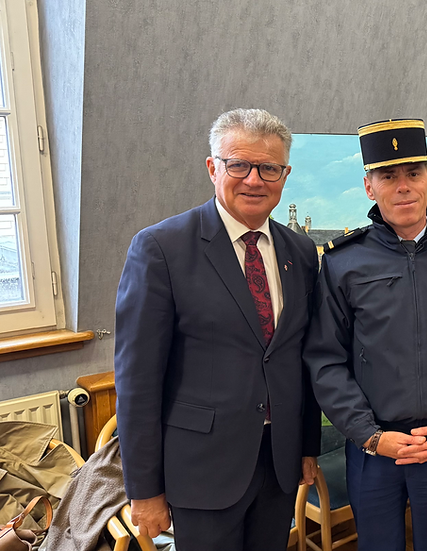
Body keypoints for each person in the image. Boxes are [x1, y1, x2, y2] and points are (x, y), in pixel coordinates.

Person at [114, 108, 321, 551]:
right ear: (213, 168)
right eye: (238, 165)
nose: (254, 180)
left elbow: (299, 358)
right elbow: (137, 382)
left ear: (284, 175)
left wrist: (306, 447)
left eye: (269, 168)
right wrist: (145, 490)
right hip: (202, 470)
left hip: (278, 465)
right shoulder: (160, 249)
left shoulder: (300, 252)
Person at [303, 118, 427, 551]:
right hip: (373, 449)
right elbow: (325, 359)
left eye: (413, 173)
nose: (403, 186)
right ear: (369, 186)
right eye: (388, 176)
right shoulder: (343, 263)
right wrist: (371, 436)